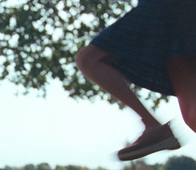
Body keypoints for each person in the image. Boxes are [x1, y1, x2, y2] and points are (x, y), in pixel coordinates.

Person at [75, 0, 196, 161]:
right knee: (192, 115)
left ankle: (153, 126)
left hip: (166, 7)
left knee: (90, 59)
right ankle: (153, 127)